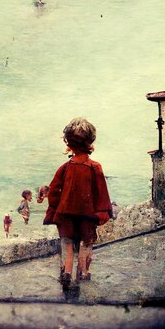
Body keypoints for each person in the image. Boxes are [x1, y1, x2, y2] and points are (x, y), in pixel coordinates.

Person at [43, 117, 112, 290]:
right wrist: (102, 211)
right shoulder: (95, 167)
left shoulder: (65, 167)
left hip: (65, 213)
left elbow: (54, 191)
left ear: (69, 144)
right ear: (89, 143)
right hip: (87, 215)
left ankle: (67, 271)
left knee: (67, 242)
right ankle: (83, 271)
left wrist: (54, 208)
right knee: (86, 243)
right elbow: (101, 192)